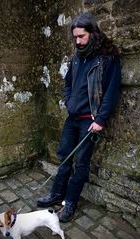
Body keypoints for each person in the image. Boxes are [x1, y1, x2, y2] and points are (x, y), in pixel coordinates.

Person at [37, 12, 121, 223]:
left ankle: (70, 202)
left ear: (93, 33)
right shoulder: (77, 58)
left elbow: (112, 92)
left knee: (81, 162)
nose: (78, 41)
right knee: (64, 156)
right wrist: (68, 101)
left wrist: (100, 120)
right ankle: (57, 193)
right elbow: (68, 83)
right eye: (75, 37)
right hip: (72, 118)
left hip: (89, 121)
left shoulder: (108, 59)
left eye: (81, 36)